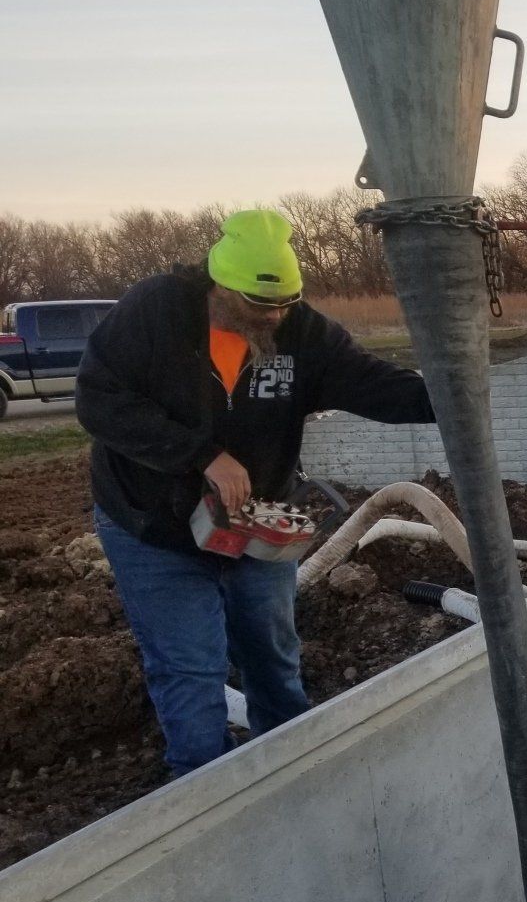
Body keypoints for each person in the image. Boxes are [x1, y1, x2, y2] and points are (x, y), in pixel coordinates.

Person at [77, 207, 437, 777]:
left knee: (272, 658)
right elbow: (100, 400)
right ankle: (204, 791)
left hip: (256, 524)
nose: (273, 315)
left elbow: (367, 381)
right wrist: (201, 456)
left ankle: (291, 777)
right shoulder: (156, 312)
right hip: (154, 524)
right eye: (259, 303)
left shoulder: (300, 331)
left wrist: (448, 397)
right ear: (219, 284)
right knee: (191, 668)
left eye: (285, 302)